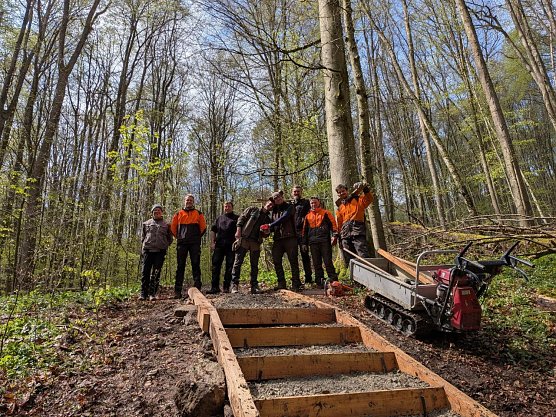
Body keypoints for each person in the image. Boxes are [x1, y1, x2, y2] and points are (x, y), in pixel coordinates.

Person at [230, 199, 274, 294]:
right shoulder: (253, 209)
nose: (270, 206)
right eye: (269, 204)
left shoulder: (268, 219)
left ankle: (254, 286)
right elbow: (241, 218)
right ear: (265, 203)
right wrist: (238, 231)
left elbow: (266, 234)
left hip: (256, 242)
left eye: (272, 206)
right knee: (238, 262)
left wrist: (267, 232)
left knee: (254, 265)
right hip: (244, 239)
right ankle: (234, 285)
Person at [171, 194, 206, 298]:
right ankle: (177, 291)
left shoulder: (198, 213)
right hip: (182, 244)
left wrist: (195, 237)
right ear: (184, 201)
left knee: (196, 265)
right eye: (187, 200)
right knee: (180, 266)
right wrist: (179, 237)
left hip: (194, 243)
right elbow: (173, 228)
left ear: (193, 202)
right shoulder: (178, 214)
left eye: (191, 200)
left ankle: (198, 289)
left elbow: (203, 227)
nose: (189, 202)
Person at [269, 191, 303, 291]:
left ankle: (296, 284)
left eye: (279, 197)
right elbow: (273, 224)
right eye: (275, 198)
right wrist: (267, 229)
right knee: (276, 260)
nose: (277, 199)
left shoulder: (290, 207)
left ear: (282, 197)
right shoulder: (274, 211)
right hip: (278, 239)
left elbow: (284, 218)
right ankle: (281, 283)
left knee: (293, 261)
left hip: (290, 237)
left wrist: (271, 225)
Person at [302, 197, 339, 288]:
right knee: (316, 263)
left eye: (315, 202)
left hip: (324, 241)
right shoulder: (307, 216)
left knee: (327, 261)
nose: (313, 204)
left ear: (319, 203)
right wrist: (304, 243)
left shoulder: (326, 213)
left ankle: (334, 280)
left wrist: (334, 235)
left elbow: (333, 225)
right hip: (313, 242)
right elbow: (304, 231)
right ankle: (319, 282)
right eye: (311, 203)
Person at [335, 182, 373, 265]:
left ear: (347, 191)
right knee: (348, 257)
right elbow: (339, 223)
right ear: (338, 195)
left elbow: (369, 199)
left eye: (343, 191)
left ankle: (368, 273)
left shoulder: (357, 199)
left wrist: (365, 189)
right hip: (345, 234)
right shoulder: (340, 208)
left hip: (357, 231)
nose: (342, 193)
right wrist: (339, 236)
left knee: (362, 253)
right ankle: (353, 275)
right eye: (339, 192)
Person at [141, 204, 173, 300]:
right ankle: (143, 294)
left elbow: (170, 239)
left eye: (158, 210)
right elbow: (143, 237)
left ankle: (152, 294)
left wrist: (164, 245)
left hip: (160, 251)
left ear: (161, 212)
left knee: (156, 273)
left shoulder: (166, 225)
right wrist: (145, 246)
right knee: (145, 272)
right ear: (152, 212)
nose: (157, 212)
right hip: (148, 250)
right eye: (155, 210)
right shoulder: (146, 223)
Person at [207, 201, 239, 294]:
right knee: (215, 266)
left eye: (229, 206)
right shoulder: (219, 218)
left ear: (232, 207)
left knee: (230, 266)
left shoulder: (236, 218)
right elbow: (213, 230)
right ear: (223, 208)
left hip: (231, 245)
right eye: (225, 206)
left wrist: (238, 242)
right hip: (219, 245)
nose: (227, 208)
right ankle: (214, 287)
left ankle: (226, 287)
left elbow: (240, 231)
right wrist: (212, 243)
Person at [291, 185, 313, 286]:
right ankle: (296, 280)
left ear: (301, 192)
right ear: (292, 193)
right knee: (293, 256)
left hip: (303, 233)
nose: (296, 193)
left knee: (305, 255)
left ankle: (308, 278)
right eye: (295, 192)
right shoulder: (290, 204)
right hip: (292, 234)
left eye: (298, 191)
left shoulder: (306, 203)